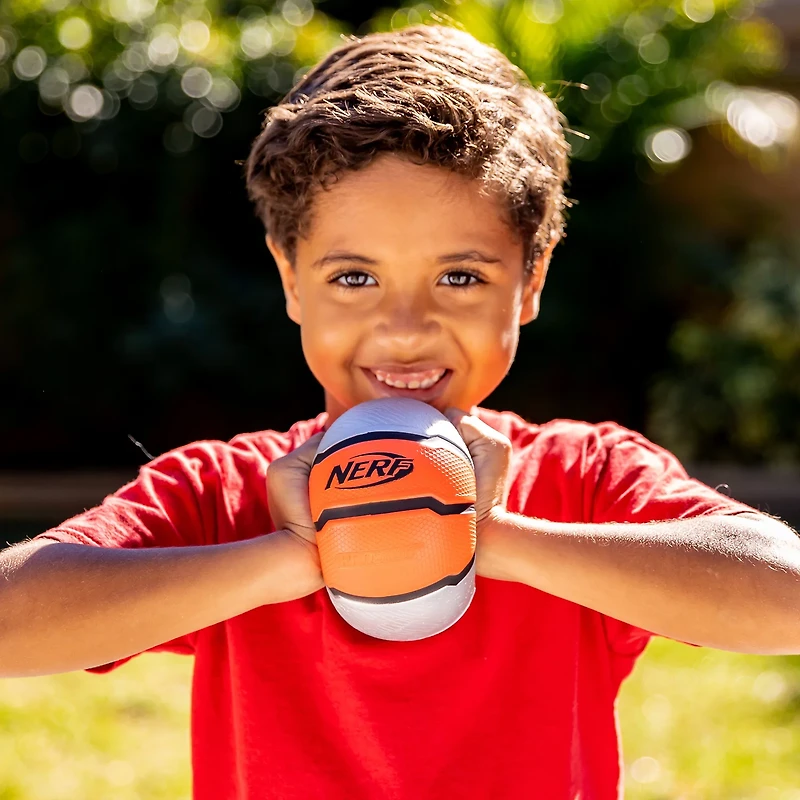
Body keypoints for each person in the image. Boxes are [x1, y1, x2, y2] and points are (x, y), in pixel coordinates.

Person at [1, 22, 799, 800]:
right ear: (289, 276)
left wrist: (486, 535)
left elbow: (786, 597)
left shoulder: (580, 477)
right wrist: (294, 556)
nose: (407, 327)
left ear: (531, 281)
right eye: (354, 277)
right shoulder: (227, 490)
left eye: (460, 277)